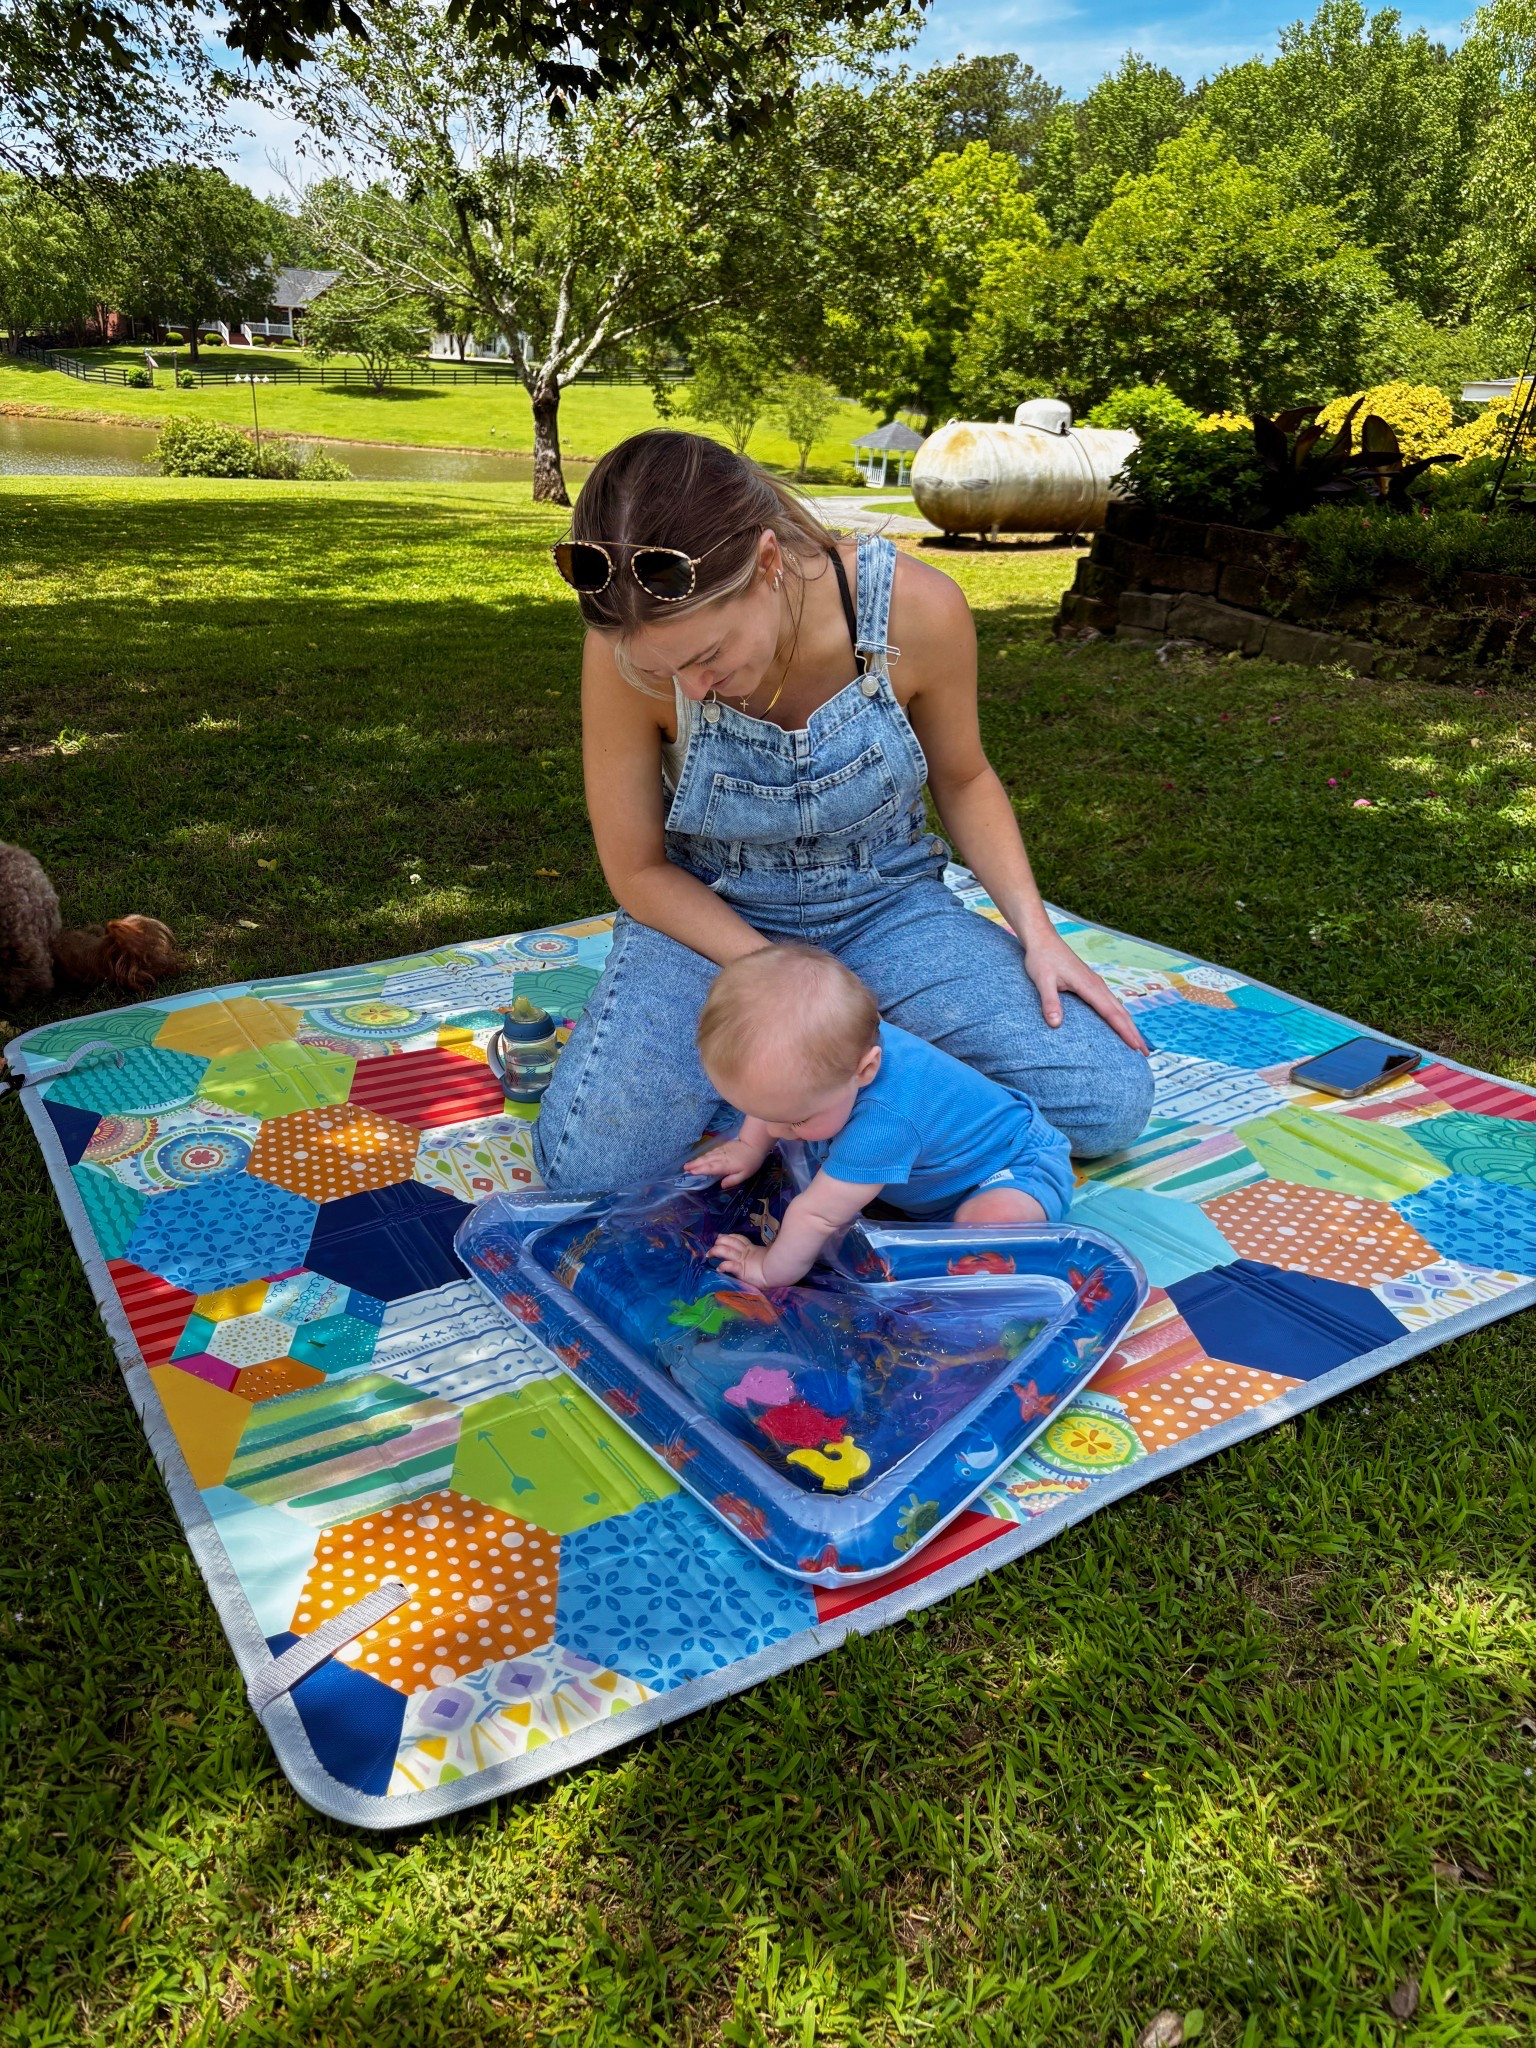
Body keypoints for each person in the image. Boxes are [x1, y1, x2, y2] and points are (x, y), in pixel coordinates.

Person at [534, 429, 1152, 1193]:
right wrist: (780, 979)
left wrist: (1038, 933)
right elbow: (636, 871)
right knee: (592, 1174)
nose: (688, 689)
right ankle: (794, 1102)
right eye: (663, 670)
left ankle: (788, 1104)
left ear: (766, 565)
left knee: (1107, 1103)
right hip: (708, 922)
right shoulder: (627, 648)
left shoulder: (918, 611)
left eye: (707, 656)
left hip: (886, 908)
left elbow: (964, 779)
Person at [685, 944, 1075, 1291]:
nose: (775, 1131)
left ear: (867, 1070)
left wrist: (768, 1269)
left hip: (1008, 1167)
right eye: (759, 1114)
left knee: (988, 1225)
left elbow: (816, 1215)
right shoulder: (839, 1053)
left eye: (796, 1120)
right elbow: (775, 1111)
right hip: (932, 1173)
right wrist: (749, 1146)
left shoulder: (883, 1122)